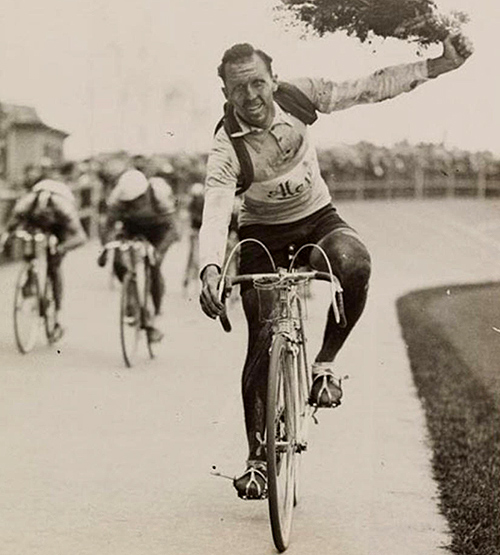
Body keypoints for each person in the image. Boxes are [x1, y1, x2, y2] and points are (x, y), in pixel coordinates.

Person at [198, 36, 473, 499]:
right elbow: (215, 205)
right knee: (261, 338)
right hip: (261, 235)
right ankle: (256, 460)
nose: (251, 97)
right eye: (239, 88)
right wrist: (209, 266)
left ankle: (324, 363)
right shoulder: (226, 147)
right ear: (226, 93)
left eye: (258, 83)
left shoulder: (300, 96)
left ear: (274, 80)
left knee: (355, 263)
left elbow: (369, 87)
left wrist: (436, 66)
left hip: (318, 219)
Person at [5, 161, 87, 340]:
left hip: (60, 227)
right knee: (30, 245)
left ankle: (56, 315)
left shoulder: (63, 206)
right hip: (34, 225)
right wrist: (7, 238)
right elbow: (11, 225)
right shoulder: (27, 203)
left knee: (54, 266)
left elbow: (80, 237)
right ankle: (29, 280)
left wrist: (62, 247)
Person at [100, 157, 178, 343]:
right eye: (129, 202)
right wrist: (106, 247)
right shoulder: (118, 198)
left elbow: (172, 229)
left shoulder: (158, 195)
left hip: (159, 232)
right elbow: (108, 226)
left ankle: (156, 308)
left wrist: (158, 251)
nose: (133, 204)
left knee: (154, 266)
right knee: (119, 261)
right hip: (132, 229)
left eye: (137, 200)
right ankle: (131, 294)